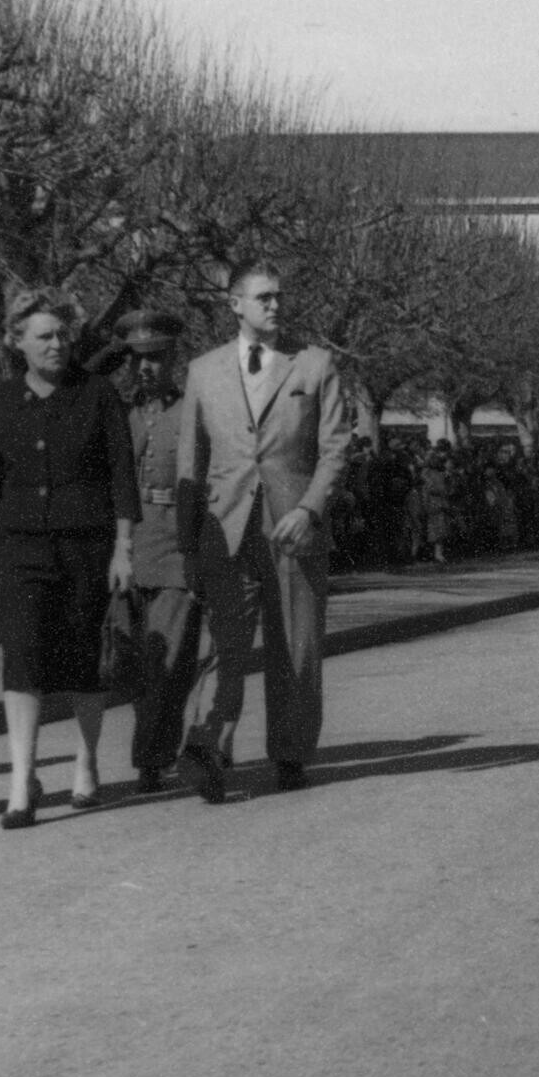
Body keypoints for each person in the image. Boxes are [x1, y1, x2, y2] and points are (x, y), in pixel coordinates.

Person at [173, 260, 355, 800]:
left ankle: (291, 752)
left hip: (294, 527)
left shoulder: (314, 365)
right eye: (263, 298)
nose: (275, 305)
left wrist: (310, 509)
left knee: (295, 644)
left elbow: (335, 449)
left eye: (278, 296)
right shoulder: (204, 371)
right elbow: (190, 462)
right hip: (226, 525)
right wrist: (189, 544)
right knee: (222, 641)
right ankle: (208, 746)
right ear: (235, 304)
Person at [0, 290, 138, 827]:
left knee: (84, 658)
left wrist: (123, 548)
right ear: (17, 342)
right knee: (21, 657)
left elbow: (122, 474)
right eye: (44, 336)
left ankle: (86, 761)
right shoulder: (0, 400)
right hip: (18, 548)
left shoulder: (98, 394)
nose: (57, 345)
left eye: (63, 335)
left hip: (86, 546)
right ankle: (22, 781)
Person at [111, 309, 210, 795]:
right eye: (136, 358)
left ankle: (152, 756)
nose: (145, 368)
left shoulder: (192, 410)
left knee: (168, 660)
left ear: (174, 359)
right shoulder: (117, 411)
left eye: (155, 358)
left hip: (175, 541)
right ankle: (153, 745)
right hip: (126, 544)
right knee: (129, 660)